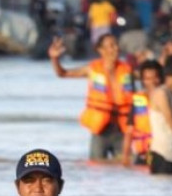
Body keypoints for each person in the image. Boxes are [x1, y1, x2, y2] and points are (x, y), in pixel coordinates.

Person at [49, 33, 134, 161]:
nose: (115, 48)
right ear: (101, 50)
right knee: (96, 169)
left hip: (122, 130)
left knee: (126, 168)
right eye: (111, 45)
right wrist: (55, 59)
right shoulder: (92, 69)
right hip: (100, 130)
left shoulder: (127, 70)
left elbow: (150, 79)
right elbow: (63, 73)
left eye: (116, 45)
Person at [122, 59, 163, 167]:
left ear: (161, 78)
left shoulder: (167, 99)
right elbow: (129, 131)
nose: (152, 82)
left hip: (162, 152)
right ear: (143, 81)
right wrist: (125, 156)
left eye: (155, 78)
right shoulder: (137, 100)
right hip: (142, 154)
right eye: (148, 79)